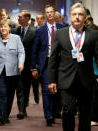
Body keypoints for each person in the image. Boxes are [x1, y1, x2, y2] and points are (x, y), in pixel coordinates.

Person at [48, 3, 98, 131]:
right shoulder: (60, 34)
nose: (77, 17)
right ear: (70, 17)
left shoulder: (93, 34)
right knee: (69, 111)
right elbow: (53, 58)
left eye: (80, 14)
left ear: (84, 17)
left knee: (85, 115)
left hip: (86, 81)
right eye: (74, 14)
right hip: (66, 80)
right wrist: (52, 80)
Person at [0, 18, 25, 125]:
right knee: (1, 93)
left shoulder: (16, 38)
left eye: (5, 26)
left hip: (12, 71)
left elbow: (21, 52)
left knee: (10, 94)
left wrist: (21, 63)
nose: (3, 28)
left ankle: (6, 115)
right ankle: (1, 115)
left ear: (9, 28)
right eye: (1, 26)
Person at [31, 4, 64, 126]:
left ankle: (55, 111)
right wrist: (33, 67)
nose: (50, 14)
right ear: (45, 14)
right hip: (46, 63)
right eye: (47, 12)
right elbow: (35, 49)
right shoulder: (40, 30)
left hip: (60, 62)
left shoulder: (62, 27)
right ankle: (48, 115)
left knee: (59, 89)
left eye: (51, 12)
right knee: (46, 89)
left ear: (54, 13)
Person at [14, 10, 37, 119]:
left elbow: (35, 50)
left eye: (21, 17)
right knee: (19, 87)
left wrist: (34, 66)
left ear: (27, 18)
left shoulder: (34, 31)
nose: (18, 18)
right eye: (18, 17)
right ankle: (21, 110)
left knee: (26, 87)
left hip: (28, 64)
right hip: (17, 64)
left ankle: (24, 105)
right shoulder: (15, 31)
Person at [84, 8, 98, 126]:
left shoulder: (93, 30)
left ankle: (94, 117)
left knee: (94, 94)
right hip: (87, 67)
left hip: (93, 67)